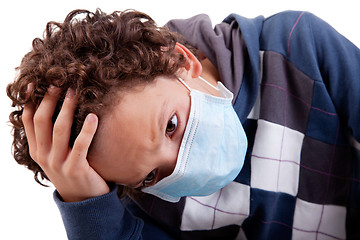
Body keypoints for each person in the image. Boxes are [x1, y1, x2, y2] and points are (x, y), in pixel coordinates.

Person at [6, 8, 360, 240]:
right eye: (150, 175)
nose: (181, 168)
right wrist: (86, 203)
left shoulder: (297, 48)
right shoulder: (144, 205)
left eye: (171, 125)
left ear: (179, 59)